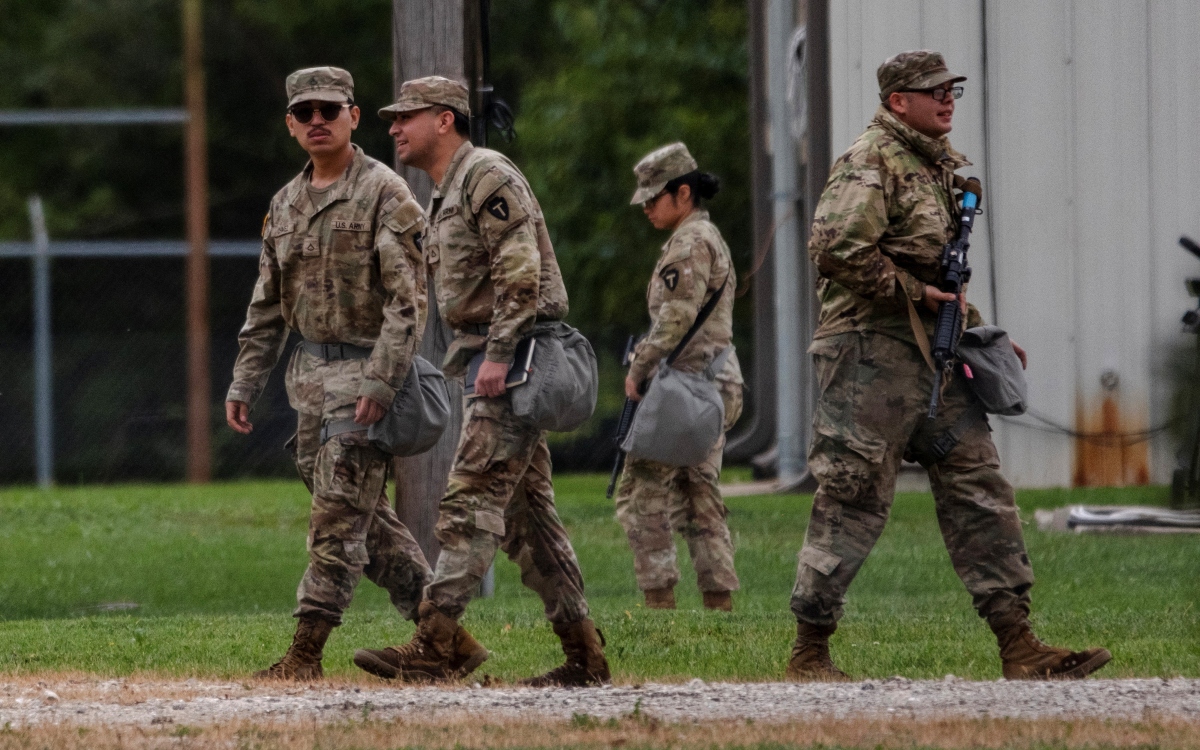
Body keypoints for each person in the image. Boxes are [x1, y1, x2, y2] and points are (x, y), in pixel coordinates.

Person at [787, 50, 1111, 681]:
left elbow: (941, 271)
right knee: (853, 496)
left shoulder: (937, 168)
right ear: (896, 101)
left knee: (980, 487)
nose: (947, 98)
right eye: (931, 89)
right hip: (867, 357)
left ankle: (1019, 645)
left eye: (952, 88)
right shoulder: (871, 160)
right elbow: (833, 247)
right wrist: (914, 294)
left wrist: (973, 329)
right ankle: (810, 652)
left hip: (932, 355)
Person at [225, 66, 486, 681]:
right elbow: (266, 306)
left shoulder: (384, 193)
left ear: (353, 117)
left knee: (337, 522)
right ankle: (446, 641)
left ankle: (304, 653)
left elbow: (408, 301)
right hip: (310, 383)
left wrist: (381, 381)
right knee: (367, 522)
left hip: (368, 380)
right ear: (290, 124)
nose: (318, 120)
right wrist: (244, 382)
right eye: (305, 111)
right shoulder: (285, 204)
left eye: (330, 110)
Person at [353, 76, 610, 686]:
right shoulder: (449, 189)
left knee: (469, 503)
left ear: (445, 120)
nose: (393, 128)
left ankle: (436, 641)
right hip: (493, 364)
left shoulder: (486, 173)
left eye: (405, 116)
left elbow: (519, 269)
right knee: (529, 522)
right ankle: (585, 658)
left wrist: (496, 354)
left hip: (514, 361)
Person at [613, 143, 744, 612]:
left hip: (684, 386)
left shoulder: (689, 243)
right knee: (699, 496)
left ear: (682, 193)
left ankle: (659, 609)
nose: (646, 207)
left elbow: (676, 316)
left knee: (641, 494)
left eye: (653, 198)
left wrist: (640, 368)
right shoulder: (707, 237)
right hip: (714, 382)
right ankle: (719, 607)